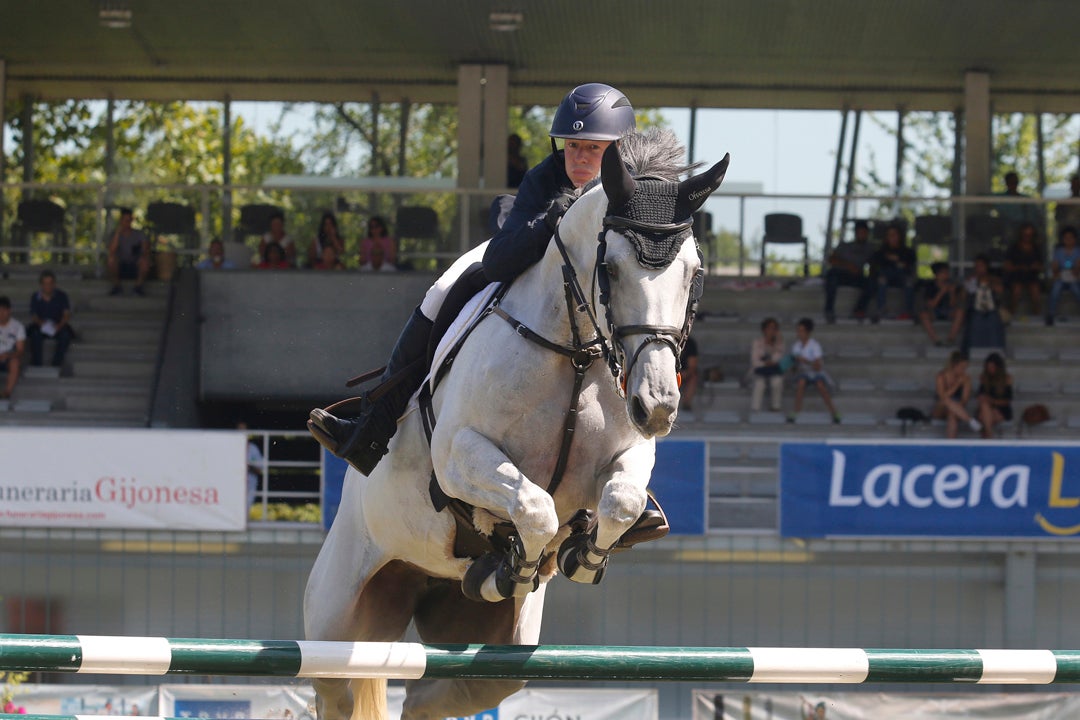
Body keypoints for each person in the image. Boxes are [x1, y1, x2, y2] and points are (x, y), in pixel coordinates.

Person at [310, 82, 637, 478]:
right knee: (445, 287)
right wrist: (551, 223)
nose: (579, 158)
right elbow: (499, 261)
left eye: (592, 148)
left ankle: (637, 479)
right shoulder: (545, 179)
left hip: (611, 315)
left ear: (618, 150)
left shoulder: (635, 191)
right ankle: (371, 426)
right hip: (533, 289)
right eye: (572, 146)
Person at [787, 317, 840, 424]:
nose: (799, 333)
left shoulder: (815, 345)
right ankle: (796, 411)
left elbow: (818, 366)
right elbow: (793, 369)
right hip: (802, 372)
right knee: (801, 382)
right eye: (798, 330)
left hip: (815, 372)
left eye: (801, 330)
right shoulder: (795, 346)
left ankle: (834, 412)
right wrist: (793, 364)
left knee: (820, 384)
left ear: (808, 332)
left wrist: (805, 361)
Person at [823, 219, 874, 322]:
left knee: (872, 284)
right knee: (831, 277)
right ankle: (829, 309)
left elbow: (874, 264)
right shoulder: (844, 246)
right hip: (840, 274)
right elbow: (831, 259)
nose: (862, 235)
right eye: (860, 232)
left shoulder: (870, 248)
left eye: (864, 233)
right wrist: (848, 265)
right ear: (855, 233)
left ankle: (859, 310)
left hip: (856, 276)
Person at [866, 222, 916, 321]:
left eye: (894, 234)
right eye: (889, 235)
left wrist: (898, 261)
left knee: (909, 281)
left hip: (902, 278)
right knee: (882, 278)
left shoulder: (908, 251)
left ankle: (908, 311)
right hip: (885, 279)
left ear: (900, 236)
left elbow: (909, 265)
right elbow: (875, 266)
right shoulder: (880, 252)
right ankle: (881, 309)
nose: (892, 237)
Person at [27, 269, 75, 368]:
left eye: (50, 283)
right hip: (41, 325)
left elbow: (66, 314)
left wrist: (59, 325)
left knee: (65, 335)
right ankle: (37, 364)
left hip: (58, 325)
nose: (48, 286)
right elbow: (34, 316)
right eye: (45, 283)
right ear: (41, 284)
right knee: (34, 334)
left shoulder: (62, 296)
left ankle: (56, 364)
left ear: (54, 284)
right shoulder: (35, 296)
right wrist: (43, 325)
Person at [961, 254, 1006, 352]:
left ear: (986, 267)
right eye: (976, 266)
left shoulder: (995, 279)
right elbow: (963, 297)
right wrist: (968, 284)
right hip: (975, 311)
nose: (979, 269)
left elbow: (1000, 291)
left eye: (981, 266)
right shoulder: (971, 280)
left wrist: (989, 283)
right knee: (975, 321)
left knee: (993, 321)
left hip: (992, 311)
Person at [932, 350, 981, 438]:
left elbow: (964, 400)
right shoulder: (941, 376)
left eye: (965, 368)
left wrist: (956, 408)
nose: (963, 370)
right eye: (962, 367)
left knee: (952, 415)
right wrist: (956, 385)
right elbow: (942, 397)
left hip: (958, 410)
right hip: (940, 408)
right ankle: (970, 420)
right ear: (954, 365)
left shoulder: (966, 379)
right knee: (946, 401)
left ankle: (951, 445)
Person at [916, 261, 965, 346]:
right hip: (934, 312)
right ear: (936, 275)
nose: (946, 275)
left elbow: (953, 305)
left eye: (947, 273)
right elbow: (931, 305)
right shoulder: (930, 286)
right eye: (943, 273)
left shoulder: (952, 284)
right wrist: (941, 292)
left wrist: (952, 293)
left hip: (948, 311)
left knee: (960, 311)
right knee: (923, 315)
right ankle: (937, 341)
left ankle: (951, 339)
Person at [106, 207, 151, 296]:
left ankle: (138, 287)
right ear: (121, 220)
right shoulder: (114, 234)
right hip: (120, 266)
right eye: (125, 220)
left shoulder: (139, 234)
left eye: (129, 220)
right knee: (111, 260)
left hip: (135, 266)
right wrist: (118, 233)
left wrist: (142, 256)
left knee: (145, 261)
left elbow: (146, 250)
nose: (127, 223)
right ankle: (117, 286)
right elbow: (111, 250)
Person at [1002, 222, 1043, 316]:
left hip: (1032, 277)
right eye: (1025, 235)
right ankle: (1011, 316)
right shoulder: (1014, 248)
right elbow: (1007, 266)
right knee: (1016, 291)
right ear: (1021, 234)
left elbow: (1041, 266)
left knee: (1036, 293)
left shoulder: (1036, 248)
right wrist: (1019, 267)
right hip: (1017, 276)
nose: (1027, 237)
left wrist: (1035, 266)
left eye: (1030, 235)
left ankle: (1037, 316)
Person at [748, 316, 785, 412]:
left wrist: (774, 345)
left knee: (777, 381)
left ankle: (775, 407)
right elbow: (755, 362)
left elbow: (778, 360)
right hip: (759, 371)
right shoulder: (757, 342)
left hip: (773, 371)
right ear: (764, 330)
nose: (771, 331)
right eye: (769, 328)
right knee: (759, 383)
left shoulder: (780, 343)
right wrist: (767, 363)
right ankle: (755, 409)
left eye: (774, 329)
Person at [1046, 225, 1080, 325]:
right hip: (1061, 278)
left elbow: (1078, 268)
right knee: (1055, 290)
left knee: (1077, 291)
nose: (1068, 240)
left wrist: (1075, 270)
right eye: (1066, 238)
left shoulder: (1078, 251)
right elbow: (1055, 267)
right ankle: (1051, 315)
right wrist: (1057, 272)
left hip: (1074, 278)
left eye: (1071, 238)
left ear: (1075, 239)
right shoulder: (1058, 251)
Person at [976, 352, 1013, 439]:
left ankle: (987, 435)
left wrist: (992, 401)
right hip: (987, 409)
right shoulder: (984, 378)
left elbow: (1007, 400)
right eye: (988, 367)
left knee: (983, 416)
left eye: (992, 367)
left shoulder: (1006, 379)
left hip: (1002, 410)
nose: (990, 370)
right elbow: (980, 396)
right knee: (984, 409)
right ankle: (989, 434)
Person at [994, 170, 1041, 238]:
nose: (1013, 184)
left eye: (1015, 182)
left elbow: (1036, 216)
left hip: (1025, 228)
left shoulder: (1026, 199)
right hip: (1006, 228)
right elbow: (984, 199)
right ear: (1006, 183)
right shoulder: (1001, 198)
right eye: (1011, 182)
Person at [0, 296, 26, 400]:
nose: (0, 314)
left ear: (9, 311)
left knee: (15, 362)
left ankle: (7, 393)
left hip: (8, 357)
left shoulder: (18, 326)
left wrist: (8, 355)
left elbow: (20, 350)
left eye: (3, 311)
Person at [679, 335, 700, 412]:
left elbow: (692, 366)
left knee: (693, 376)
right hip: (669, 374)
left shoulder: (690, 343)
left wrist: (681, 375)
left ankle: (686, 404)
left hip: (684, 374)